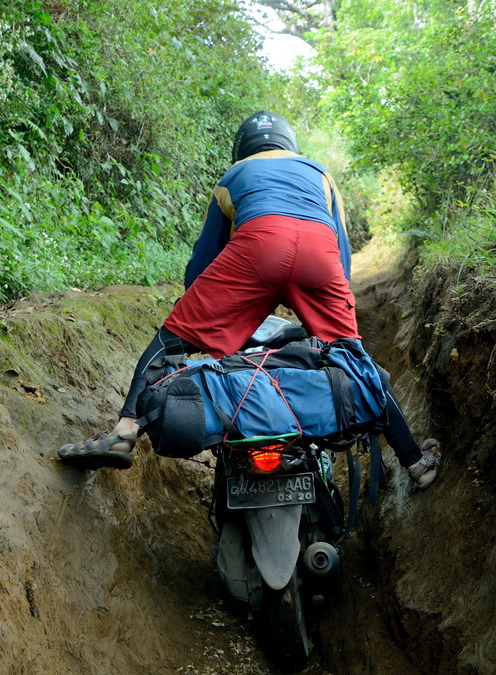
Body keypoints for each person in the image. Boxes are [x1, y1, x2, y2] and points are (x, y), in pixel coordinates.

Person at [58, 110, 440, 489]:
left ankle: (124, 432)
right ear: (290, 144)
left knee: (169, 340)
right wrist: (330, 305)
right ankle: (414, 463)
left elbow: (205, 259)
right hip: (318, 259)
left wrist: (198, 310)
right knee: (356, 363)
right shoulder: (320, 174)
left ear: (242, 149)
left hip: (258, 247)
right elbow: (341, 256)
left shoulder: (233, 176)